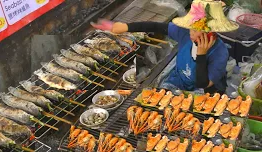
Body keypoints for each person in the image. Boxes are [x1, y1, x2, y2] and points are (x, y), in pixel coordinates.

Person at [92, 0, 239, 94]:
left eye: (195, 30)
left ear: (210, 33)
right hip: (178, 81)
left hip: (202, 93)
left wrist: (201, 55)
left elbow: (203, 84)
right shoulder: (184, 33)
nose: (191, 33)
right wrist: (123, 27)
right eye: (191, 28)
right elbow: (156, 26)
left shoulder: (219, 53)